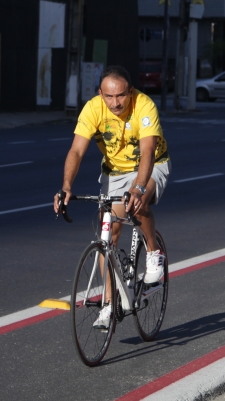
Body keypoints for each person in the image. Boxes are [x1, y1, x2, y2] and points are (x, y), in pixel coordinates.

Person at [53, 65, 170, 330]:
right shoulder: (93, 109)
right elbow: (76, 151)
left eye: (120, 96)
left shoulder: (144, 105)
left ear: (131, 91)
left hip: (151, 165)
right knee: (107, 234)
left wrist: (138, 187)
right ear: (100, 93)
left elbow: (148, 150)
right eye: (109, 96)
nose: (115, 103)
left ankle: (154, 252)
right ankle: (109, 302)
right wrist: (66, 186)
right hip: (114, 171)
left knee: (137, 204)